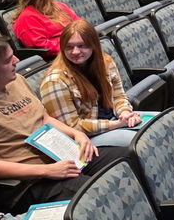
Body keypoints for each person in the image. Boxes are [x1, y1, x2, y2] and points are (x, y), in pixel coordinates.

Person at [0, 36, 128, 212]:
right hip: (28, 182)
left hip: (59, 155)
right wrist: (47, 171)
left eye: (13, 56)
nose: (16, 61)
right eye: (7, 60)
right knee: (99, 194)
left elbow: (44, 118)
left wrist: (76, 134)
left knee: (128, 158)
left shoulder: (17, 80)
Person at [40, 19, 142, 147]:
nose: (75, 52)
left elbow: (118, 96)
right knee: (141, 142)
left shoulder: (105, 62)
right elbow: (72, 127)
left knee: (159, 126)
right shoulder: (55, 81)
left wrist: (125, 114)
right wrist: (114, 125)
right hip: (86, 139)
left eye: (81, 45)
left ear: (93, 45)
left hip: (113, 120)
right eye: (69, 47)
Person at [12, 0, 80, 54]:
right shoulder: (27, 18)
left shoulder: (59, 5)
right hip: (59, 56)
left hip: (76, 46)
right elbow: (42, 47)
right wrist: (72, 43)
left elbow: (79, 23)